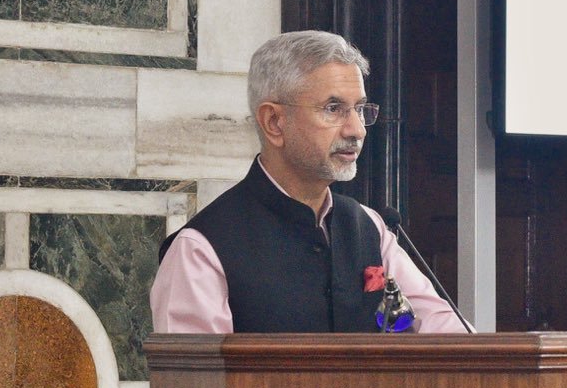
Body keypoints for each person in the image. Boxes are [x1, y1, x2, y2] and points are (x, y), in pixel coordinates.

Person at [150, 30, 468, 334]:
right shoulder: (200, 251)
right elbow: (196, 385)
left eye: (359, 109)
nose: (356, 130)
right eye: (334, 109)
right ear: (274, 122)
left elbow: (441, 334)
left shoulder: (369, 227)